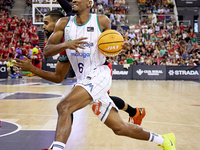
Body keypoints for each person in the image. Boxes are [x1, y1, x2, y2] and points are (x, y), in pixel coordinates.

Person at [16, 1, 176, 150]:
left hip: (100, 73)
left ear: (89, 3)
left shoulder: (102, 21)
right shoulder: (64, 24)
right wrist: (66, 44)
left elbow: (112, 45)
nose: (74, 1)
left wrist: (121, 47)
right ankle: (164, 140)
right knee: (119, 128)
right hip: (84, 80)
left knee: (64, 106)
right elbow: (47, 52)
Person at [15, 9, 145, 125]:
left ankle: (58, 144)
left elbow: (105, 45)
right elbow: (58, 77)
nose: (43, 26)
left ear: (58, 23)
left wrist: (117, 48)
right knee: (94, 102)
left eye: (46, 23)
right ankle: (135, 112)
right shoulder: (63, 45)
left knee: (68, 105)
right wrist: (33, 69)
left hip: (100, 70)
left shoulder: (74, 25)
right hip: (85, 74)